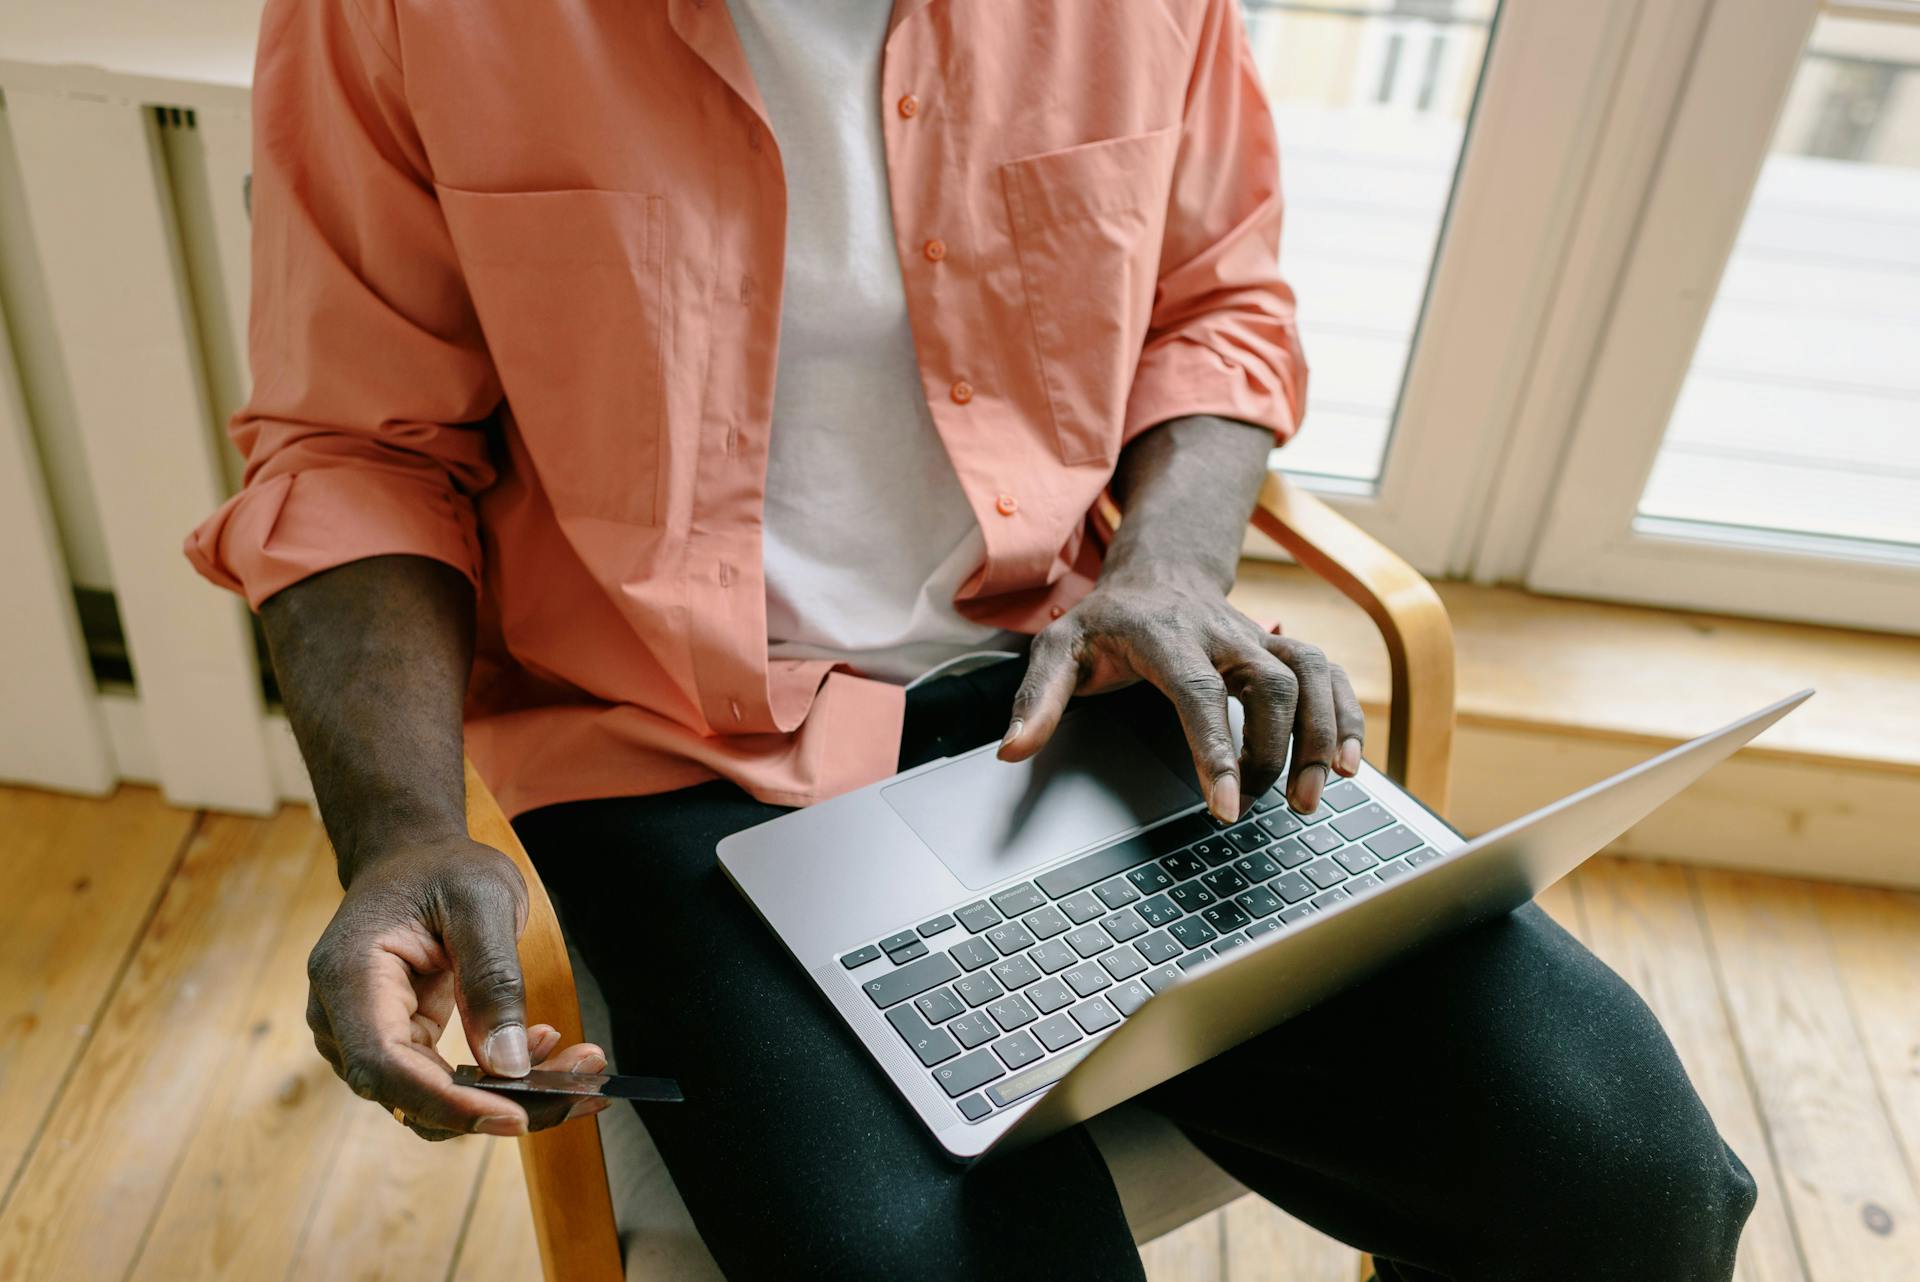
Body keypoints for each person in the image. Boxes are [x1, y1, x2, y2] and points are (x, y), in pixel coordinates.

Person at [186, 0, 1757, 1277]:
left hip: (1087, 673)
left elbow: (1218, 303)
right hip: (675, 756)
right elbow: (355, 449)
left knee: (1640, 1191)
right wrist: (392, 830)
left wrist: (1170, 566)